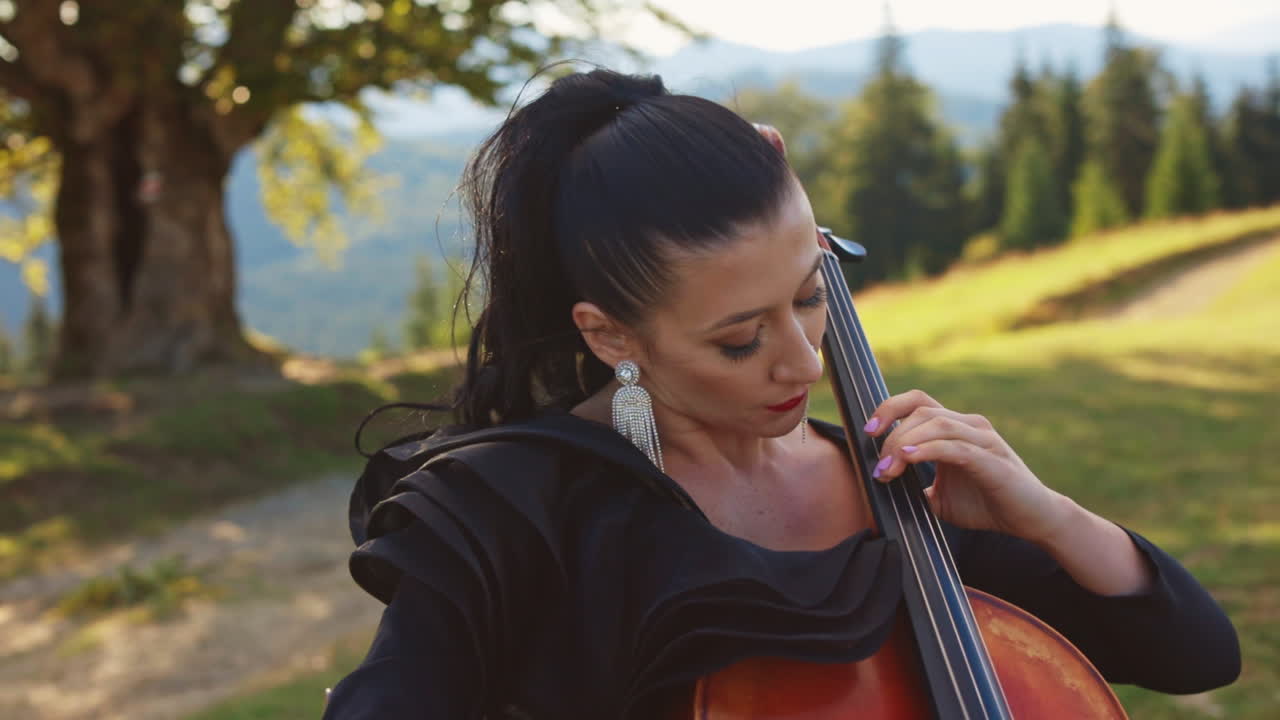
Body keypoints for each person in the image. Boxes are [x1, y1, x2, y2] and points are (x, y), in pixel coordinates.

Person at [322, 69, 1239, 719]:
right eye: (739, 339)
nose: (803, 363)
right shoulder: (508, 513)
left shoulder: (896, 488)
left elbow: (1196, 656)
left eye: (810, 295)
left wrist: (1047, 517)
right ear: (610, 335)